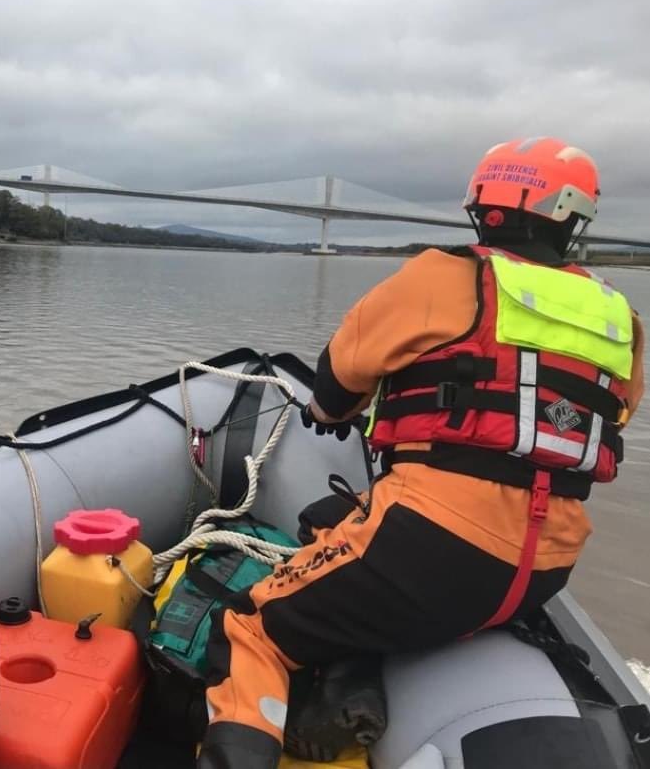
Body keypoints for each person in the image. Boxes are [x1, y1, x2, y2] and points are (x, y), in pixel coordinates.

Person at [197, 137, 645, 768]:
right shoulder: (619, 318)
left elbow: (334, 387)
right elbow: (603, 418)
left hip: (429, 546)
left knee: (247, 628)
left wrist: (334, 412)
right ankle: (351, 673)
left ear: (481, 210)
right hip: (544, 566)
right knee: (328, 525)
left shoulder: (444, 275)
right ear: (571, 220)